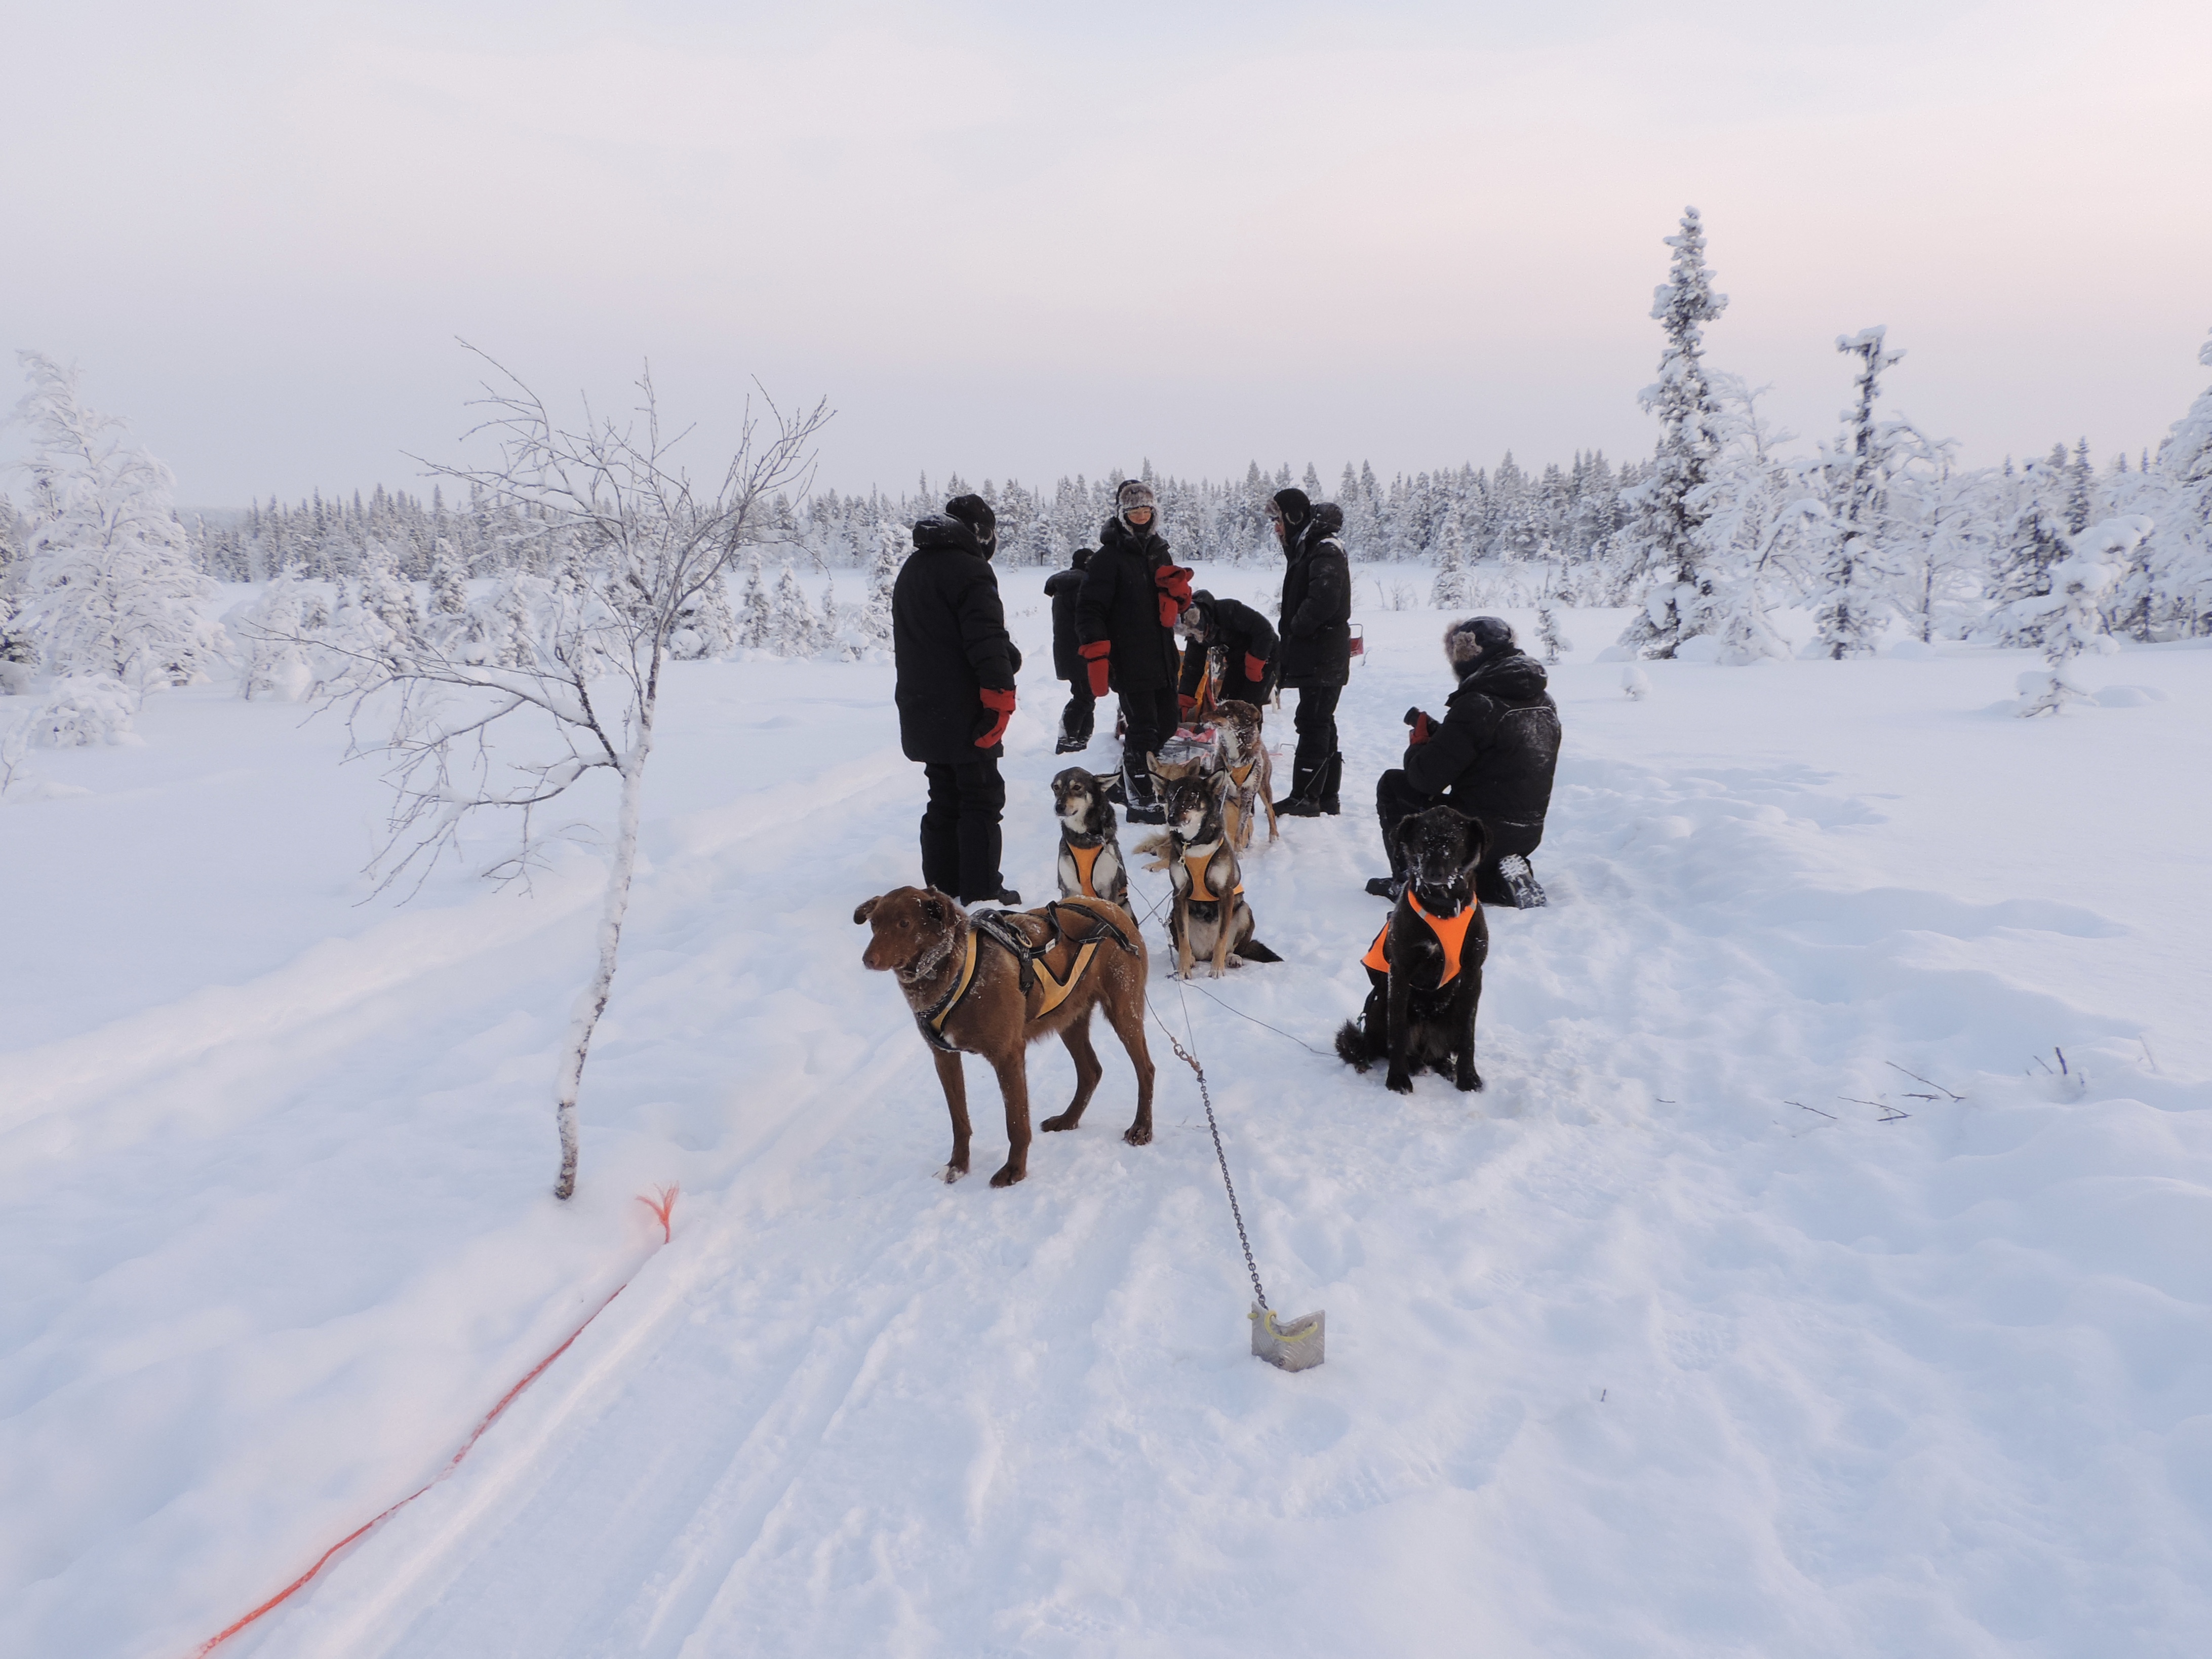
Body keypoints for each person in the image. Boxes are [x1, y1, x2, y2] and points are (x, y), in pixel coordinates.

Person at [1367, 616, 1560, 906]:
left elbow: (1425, 779)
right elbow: (1496, 756)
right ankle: (1500, 879)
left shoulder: (1478, 703)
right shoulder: (1542, 700)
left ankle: (1410, 879)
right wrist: (1444, 736)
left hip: (1477, 831)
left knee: (1395, 784)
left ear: (1466, 655)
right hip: (1527, 833)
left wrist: (1419, 746)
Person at [893, 493, 1023, 905]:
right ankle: (982, 893)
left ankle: (942, 892)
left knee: (944, 798)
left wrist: (1005, 654)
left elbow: (944, 636)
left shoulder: (913, 568)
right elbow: (982, 639)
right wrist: (1000, 697)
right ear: (983, 534)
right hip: (966, 710)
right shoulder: (971, 571)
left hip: (923, 708)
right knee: (981, 799)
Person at [1076, 480, 1193, 824]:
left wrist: (1180, 595)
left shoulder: (1159, 551)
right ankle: (1141, 799)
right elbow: (1089, 609)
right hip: (1128, 656)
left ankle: (1125, 782)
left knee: (1168, 723)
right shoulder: (1107, 559)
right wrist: (1097, 651)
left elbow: (1174, 600)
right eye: (1134, 512)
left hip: (1162, 655)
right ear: (1123, 516)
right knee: (1142, 728)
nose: (1140, 516)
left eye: (1146, 511)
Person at [1268, 489, 1351, 816]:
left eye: (1278, 520)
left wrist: (1296, 628)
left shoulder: (1324, 549)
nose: (1276, 528)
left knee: (1313, 722)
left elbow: (1325, 599)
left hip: (1321, 653)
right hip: (1321, 653)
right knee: (1320, 721)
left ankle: (1306, 797)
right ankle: (1326, 796)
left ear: (1292, 517)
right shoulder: (1311, 547)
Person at [1175, 587, 1277, 717]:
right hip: (1236, 661)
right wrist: (1185, 698)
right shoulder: (1195, 635)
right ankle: (1226, 736)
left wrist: (1256, 663)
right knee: (1226, 707)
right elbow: (1193, 667)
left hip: (1265, 655)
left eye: (1201, 633)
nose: (1199, 637)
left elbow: (1264, 629)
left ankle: (1250, 737)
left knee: (1248, 709)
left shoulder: (1229, 610)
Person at [1044, 547, 1096, 753]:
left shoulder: (1066, 585)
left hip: (1068, 650)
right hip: (1080, 649)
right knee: (1084, 696)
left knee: (1086, 695)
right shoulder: (1081, 585)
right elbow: (1087, 619)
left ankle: (1078, 740)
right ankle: (1069, 741)